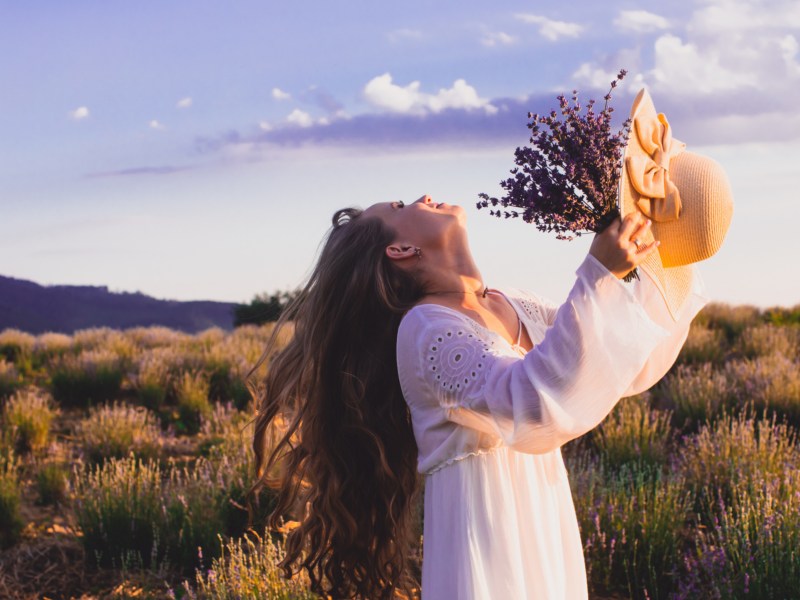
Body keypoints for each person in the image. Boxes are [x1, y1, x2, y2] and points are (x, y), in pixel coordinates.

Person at [249, 194, 707, 599]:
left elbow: (622, 361)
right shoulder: (425, 326)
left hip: (542, 525)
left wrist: (664, 247)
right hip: (488, 539)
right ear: (401, 250)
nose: (424, 195)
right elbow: (533, 402)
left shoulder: (515, 303)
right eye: (401, 205)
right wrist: (598, 274)